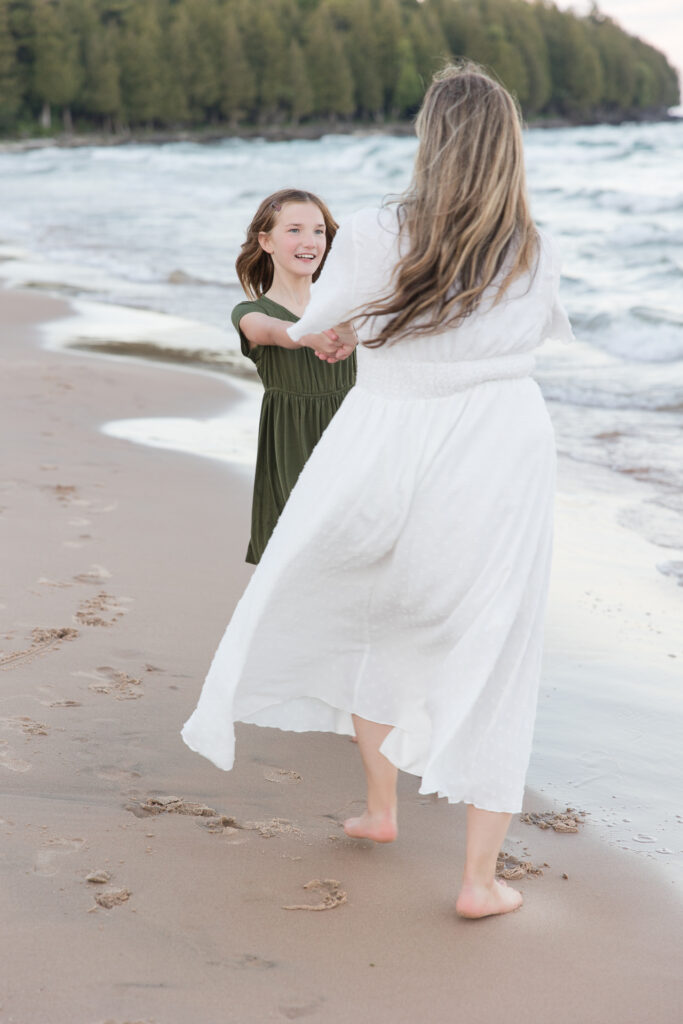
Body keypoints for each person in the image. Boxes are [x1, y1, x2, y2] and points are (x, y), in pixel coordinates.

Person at [182, 63, 573, 920]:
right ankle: (477, 879)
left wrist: (349, 330)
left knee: (367, 606)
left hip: (387, 431)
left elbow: (323, 323)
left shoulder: (370, 229)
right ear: (507, 145)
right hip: (500, 441)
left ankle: (382, 807)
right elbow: (534, 331)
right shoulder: (530, 244)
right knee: (497, 642)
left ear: (430, 141)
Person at [231, 188, 356, 563]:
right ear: (266, 241)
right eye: (295, 230)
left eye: (319, 231)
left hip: (354, 436)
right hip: (295, 447)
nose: (310, 241)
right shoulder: (250, 312)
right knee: (300, 561)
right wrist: (307, 334)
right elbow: (270, 331)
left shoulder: (344, 304)